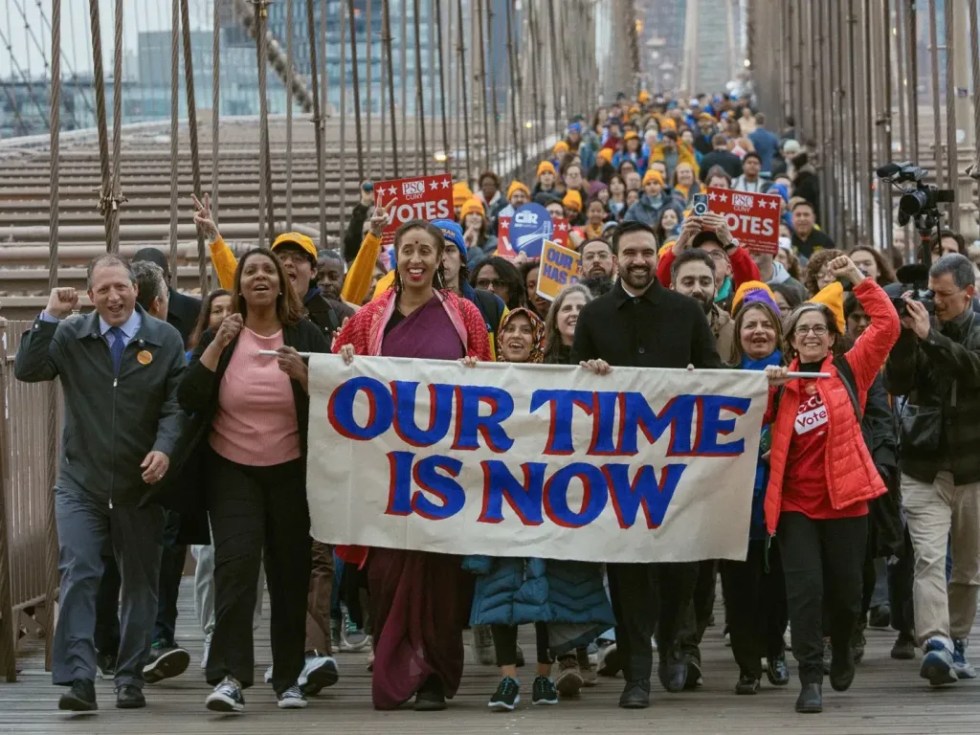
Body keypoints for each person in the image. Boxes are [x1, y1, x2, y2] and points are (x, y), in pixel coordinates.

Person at [15, 255, 186, 712]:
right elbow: (28, 369)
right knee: (80, 572)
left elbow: (176, 404)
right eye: (103, 290)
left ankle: (130, 676)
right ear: (91, 296)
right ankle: (79, 679)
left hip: (140, 484)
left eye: (121, 288)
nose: (114, 297)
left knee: (139, 584)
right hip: (81, 481)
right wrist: (50, 316)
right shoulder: (72, 333)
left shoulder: (164, 339)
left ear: (136, 289)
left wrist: (165, 447)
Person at [333, 220, 492, 711]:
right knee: (386, 576)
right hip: (388, 475)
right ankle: (396, 668)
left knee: (443, 580)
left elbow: (493, 384)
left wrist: (476, 373)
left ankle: (434, 679)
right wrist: (344, 359)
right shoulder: (369, 317)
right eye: (408, 251)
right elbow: (340, 368)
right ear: (394, 259)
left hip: (446, 473)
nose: (418, 259)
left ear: (443, 258)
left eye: (428, 250)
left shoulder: (465, 314)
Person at [572, 221, 723, 709]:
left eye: (645, 253)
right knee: (629, 574)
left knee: (681, 570)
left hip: (676, 468)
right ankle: (637, 675)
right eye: (629, 253)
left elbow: (716, 377)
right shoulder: (594, 316)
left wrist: (708, 380)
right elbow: (573, 389)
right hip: (618, 472)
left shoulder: (686, 312)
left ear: (654, 256)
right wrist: (589, 373)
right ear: (616, 259)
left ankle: (675, 640)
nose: (638, 261)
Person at [178, 249, 331, 712]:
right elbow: (188, 395)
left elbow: (337, 401)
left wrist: (305, 375)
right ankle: (229, 677)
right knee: (236, 570)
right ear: (239, 286)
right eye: (251, 272)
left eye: (269, 270)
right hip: (232, 470)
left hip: (291, 471)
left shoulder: (305, 334)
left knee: (289, 574)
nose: (261, 277)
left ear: (283, 284)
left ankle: (288, 678)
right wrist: (216, 344)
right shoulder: (221, 333)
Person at [763, 255, 900, 714]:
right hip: (796, 505)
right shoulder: (779, 382)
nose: (811, 335)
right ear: (791, 341)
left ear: (832, 335)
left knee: (845, 594)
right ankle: (809, 677)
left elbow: (887, 324)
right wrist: (766, 389)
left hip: (847, 502)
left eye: (818, 328)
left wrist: (857, 279)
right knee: (805, 594)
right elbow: (739, 420)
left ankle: (843, 645)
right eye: (802, 330)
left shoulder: (851, 369)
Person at [469, 307, 615, 710]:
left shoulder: (561, 379)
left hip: (547, 503)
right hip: (498, 503)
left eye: (524, 330)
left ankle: (543, 679)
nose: (516, 336)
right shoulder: (480, 377)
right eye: (509, 330)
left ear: (538, 339)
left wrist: (596, 373)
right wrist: (463, 374)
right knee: (501, 593)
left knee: (545, 593)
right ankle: (507, 682)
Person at [884, 253, 980, 686]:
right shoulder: (921, 325)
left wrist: (932, 338)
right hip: (924, 467)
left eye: (943, 296)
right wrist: (906, 337)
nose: (934, 303)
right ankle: (937, 642)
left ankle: (958, 638)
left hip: (973, 468)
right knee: (928, 558)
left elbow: (974, 369)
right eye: (931, 293)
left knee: (968, 568)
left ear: (969, 292)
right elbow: (899, 383)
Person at [721, 297, 790, 694]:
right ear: (739, 334)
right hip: (736, 504)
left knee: (776, 588)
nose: (758, 332)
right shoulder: (725, 379)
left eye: (766, 324)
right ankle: (748, 665)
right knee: (739, 589)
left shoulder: (797, 376)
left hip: (782, 502)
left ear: (778, 332)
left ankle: (775, 649)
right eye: (750, 325)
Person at [131, 247, 202, 349]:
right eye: (141, 276)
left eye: (154, 276)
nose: (148, 281)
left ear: (168, 278)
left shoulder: (195, 310)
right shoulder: (122, 311)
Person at [671, 248, 735, 359]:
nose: (697, 289)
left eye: (705, 282)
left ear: (715, 289)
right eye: (688, 283)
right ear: (672, 289)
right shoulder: (655, 330)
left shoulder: (735, 334)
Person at [543, 284, 592, 364]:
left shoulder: (604, 357)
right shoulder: (539, 362)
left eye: (581, 308)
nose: (574, 313)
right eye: (567, 309)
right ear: (555, 321)